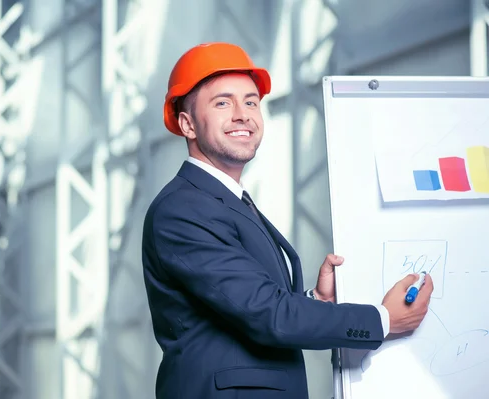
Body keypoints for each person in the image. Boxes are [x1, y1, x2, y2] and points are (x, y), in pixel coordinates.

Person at [141, 42, 434, 399]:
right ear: (187, 123)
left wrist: (315, 300)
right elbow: (268, 315)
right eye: (222, 103)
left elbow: (247, 304)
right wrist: (383, 320)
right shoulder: (183, 210)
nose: (242, 114)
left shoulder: (224, 201)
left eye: (251, 101)